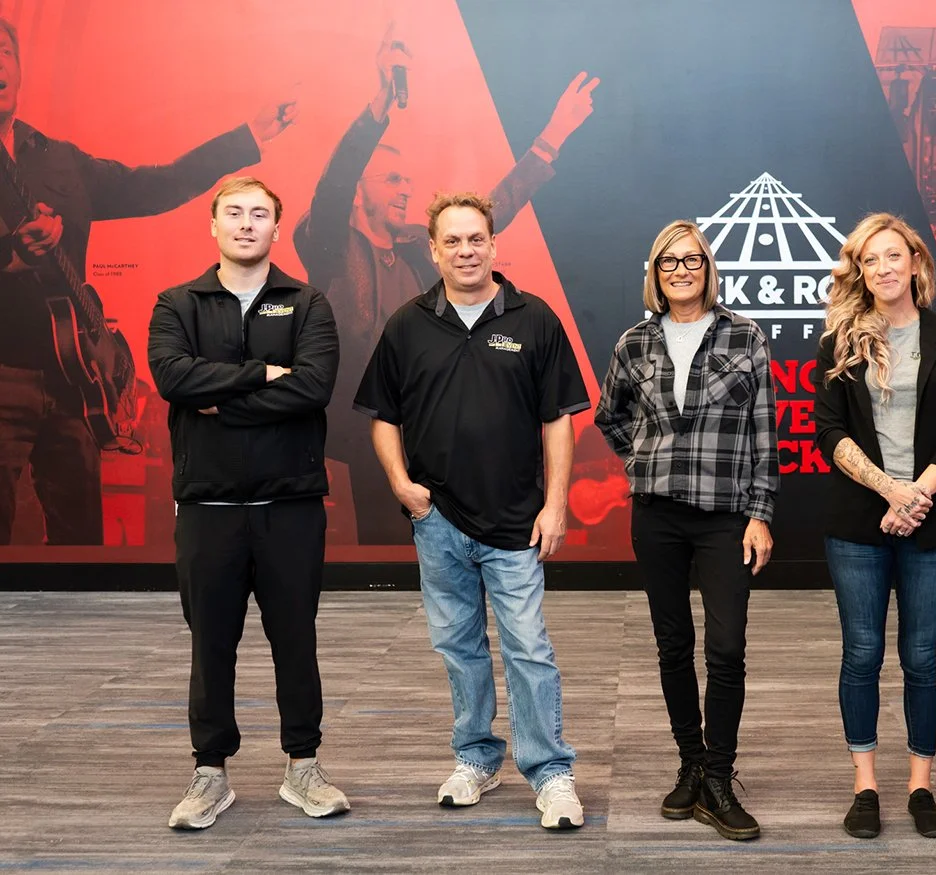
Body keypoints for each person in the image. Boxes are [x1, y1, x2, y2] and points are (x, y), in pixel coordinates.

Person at [0, 17, 297, 545]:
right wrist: (10, 255)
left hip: (75, 381)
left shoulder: (59, 159)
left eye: (3, 50)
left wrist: (247, 137)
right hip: (4, 373)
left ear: (19, 69)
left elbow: (156, 186)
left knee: (79, 543)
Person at [296, 26, 598, 544]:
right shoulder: (328, 242)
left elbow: (487, 213)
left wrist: (549, 142)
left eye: (407, 181)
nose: (405, 188)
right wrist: (378, 105)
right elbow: (334, 183)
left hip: (431, 441)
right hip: (356, 443)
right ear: (359, 195)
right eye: (391, 180)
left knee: (448, 568)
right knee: (385, 570)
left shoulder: (420, 244)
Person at [354, 192, 588, 830]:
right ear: (433, 249)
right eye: (452, 241)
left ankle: (551, 772)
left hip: (515, 520)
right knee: (459, 647)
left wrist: (556, 505)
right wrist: (402, 484)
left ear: (493, 244)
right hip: (438, 522)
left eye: (475, 239)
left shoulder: (534, 318)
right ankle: (476, 758)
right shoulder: (407, 324)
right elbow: (383, 417)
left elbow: (559, 420)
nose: (465, 250)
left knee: (529, 649)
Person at [147, 177, 347, 830]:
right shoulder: (177, 302)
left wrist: (218, 402)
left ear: (276, 229)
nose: (245, 223)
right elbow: (173, 377)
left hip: (290, 504)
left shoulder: (308, 302)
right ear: (212, 224)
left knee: (297, 636)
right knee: (212, 642)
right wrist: (261, 374)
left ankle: (303, 768)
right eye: (233, 213)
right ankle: (209, 774)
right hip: (207, 506)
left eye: (259, 214)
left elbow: (314, 388)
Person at [594, 220, 778, 841]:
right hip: (658, 517)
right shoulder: (634, 343)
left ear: (707, 267)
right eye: (668, 262)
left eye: (691, 260)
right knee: (672, 645)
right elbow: (609, 416)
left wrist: (761, 514)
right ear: (655, 272)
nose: (680, 271)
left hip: (727, 517)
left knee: (726, 650)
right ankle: (691, 766)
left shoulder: (745, 336)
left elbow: (764, 435)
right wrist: (642, 458)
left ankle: (721, 776)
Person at [813, 213, 936, 839]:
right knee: (862, 653)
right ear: (860, 271)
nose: (883, 268)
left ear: (915, 263)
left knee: (922, 656)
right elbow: (830, 431)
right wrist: (888, 490)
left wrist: (915, 496)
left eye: (893, 256)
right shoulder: (840, 340)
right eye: (870, 260)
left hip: (932, 520)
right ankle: (866, 785)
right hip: (859, 520)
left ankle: (920, 785)